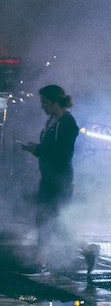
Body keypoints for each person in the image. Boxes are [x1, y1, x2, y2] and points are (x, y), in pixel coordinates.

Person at [22, 83, 80, 270]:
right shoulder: (52, 122)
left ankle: (84, 250)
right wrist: (36, 149)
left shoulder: (67, 123)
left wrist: (38, 149)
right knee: (46, 218)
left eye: (45, 102)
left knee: (55, 219)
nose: (42, 106)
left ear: (56, 103)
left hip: (60, 179)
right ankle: (42, 258)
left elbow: (62, 153)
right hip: (48, 177)